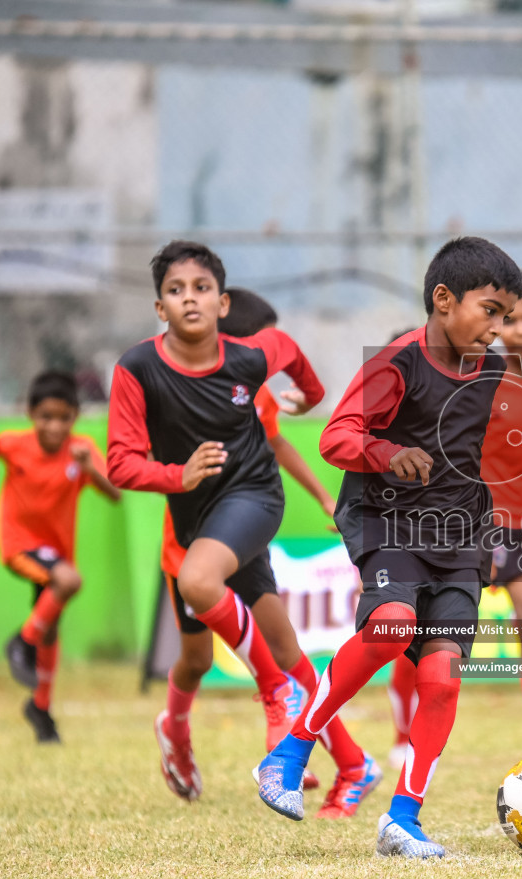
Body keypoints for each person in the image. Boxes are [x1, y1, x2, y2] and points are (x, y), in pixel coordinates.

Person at [255, 236, 522, 858]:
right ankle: (290, 752)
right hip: (388, 521)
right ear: (443, 299)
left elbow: (481, 453)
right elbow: (337, 437)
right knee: (391, 625)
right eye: (490, 311)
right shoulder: (396, 364)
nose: (497, 328)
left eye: (506, 317)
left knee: (444, 678)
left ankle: (403, 820)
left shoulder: (492, 370)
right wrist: (387, 453)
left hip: (458, 536)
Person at [106, 241, 374, 808]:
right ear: (160, 308)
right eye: (176, 291)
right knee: (210, 654)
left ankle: (278, 696)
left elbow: (289, 356)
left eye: (201, 289)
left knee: (201, 586)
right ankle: (348, 761)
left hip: (252, 500)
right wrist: (179, 476)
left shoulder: (250, 361)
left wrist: (312, 397)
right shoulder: (136, 368)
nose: (190, 299)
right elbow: (120, 464)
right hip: (190, 519)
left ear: (222, 303)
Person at [386, 271, 522, 762]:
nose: (520, 328)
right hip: (497, 523)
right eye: (510, 319)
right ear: (499, 324)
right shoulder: (477, 379)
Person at [0, 369, 120, 743]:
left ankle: (41, 707)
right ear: (30, 415)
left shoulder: (81, 450)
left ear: (75, 418)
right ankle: (21, 641)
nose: (54, 426)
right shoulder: (14, 444)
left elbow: (114, 493)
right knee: (68, 581)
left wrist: (88, 469)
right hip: (20, 544)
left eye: (64, 418)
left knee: (51, 627)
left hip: (57, 551)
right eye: (45, 417)